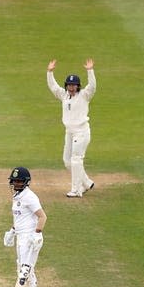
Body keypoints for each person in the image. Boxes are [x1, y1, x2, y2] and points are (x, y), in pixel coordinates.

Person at [46, 58, 96, 197]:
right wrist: (49, 72)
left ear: (78, 86)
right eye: (69, 85)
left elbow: (92, 86)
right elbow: (53, 87)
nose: (71, 87)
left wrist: (90, 70)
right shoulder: (64, 95)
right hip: (69, 132)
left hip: (81, 132)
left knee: (76, 159)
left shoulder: (84, 95)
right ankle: (86, 183)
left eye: (74, 85)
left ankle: (76, 190)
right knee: (67, 161)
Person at [3, 167, 47, 287]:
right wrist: (12, 231)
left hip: (30, 239)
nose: (16, 183)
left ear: (26, 182)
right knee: (23, 269)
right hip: (21, 237)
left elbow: (42, 217)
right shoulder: (17, 196)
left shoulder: (30, 197)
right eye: (14, 181)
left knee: (25, 271)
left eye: (19, 181)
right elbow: (20, 219)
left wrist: (37, 234)